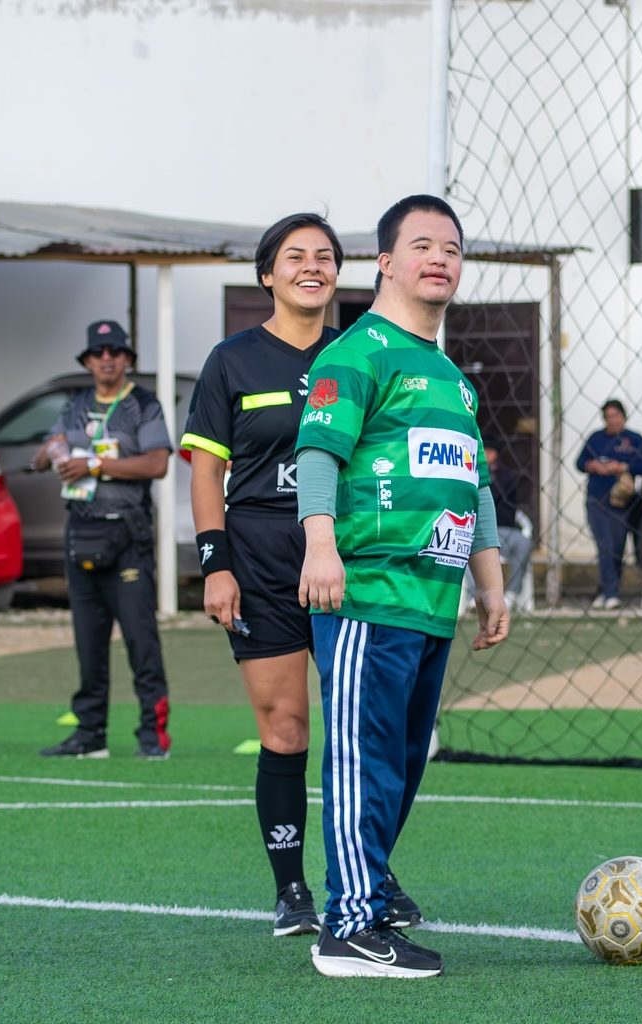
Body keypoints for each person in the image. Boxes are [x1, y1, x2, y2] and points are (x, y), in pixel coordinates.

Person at [180, 213, 422, 939]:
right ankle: (292, 890)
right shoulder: (233, 360)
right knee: (286, 729)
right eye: (295, 256)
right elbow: (206, 471)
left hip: (348, 561)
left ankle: (369, 875)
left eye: (324, 256)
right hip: (259, 559)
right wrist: (215, 565)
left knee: (363, 732)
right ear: (267, 275)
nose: (311, 266)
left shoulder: (362, 354)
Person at [296, 193, 509, 978]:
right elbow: (319, 457)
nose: (440, 259)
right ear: (385, 262)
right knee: (362, 756)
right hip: (367, 594)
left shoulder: (453, 379)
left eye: (452, 248)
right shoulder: (357, 354)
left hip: (431, 601)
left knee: (401, 762)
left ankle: (370, 893)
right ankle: (348, 929)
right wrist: (321, 545)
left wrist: (489, 583)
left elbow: (474, 486)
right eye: (422, 245)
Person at [32, 320, 173, 760]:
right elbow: (42, 455)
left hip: (128, 536)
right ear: (88, 361)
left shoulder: (143, 406)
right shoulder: (74, 406)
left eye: (115, 351)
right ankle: (90, 734)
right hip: (82, 535)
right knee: (88, 641)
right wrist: (55, 452)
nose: (106, 358)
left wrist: (94, 466)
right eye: (98, 352)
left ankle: (153, 735)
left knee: (139, 639)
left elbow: (156, 464)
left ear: (128, 359)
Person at [576, 399, 642, 609]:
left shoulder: (634, 439)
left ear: (623, 417)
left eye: (616, 416)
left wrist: (622, 466)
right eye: (608, 417)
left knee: (617, 547)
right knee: (605, 545)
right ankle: (611, 593)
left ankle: (606, 589)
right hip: (596, 500)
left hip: (622, 502)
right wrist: (595, 465)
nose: (612, 420)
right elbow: (579, 462)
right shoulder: (596, 439)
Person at [463, 442, 533, 611]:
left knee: (524, 543)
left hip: (505, 529)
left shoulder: (507, 475)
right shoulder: (469, 472)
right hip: (477, 528)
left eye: (489, 451)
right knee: (464, 545)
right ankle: (475, 596)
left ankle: (511, 595)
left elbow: (502, 498)